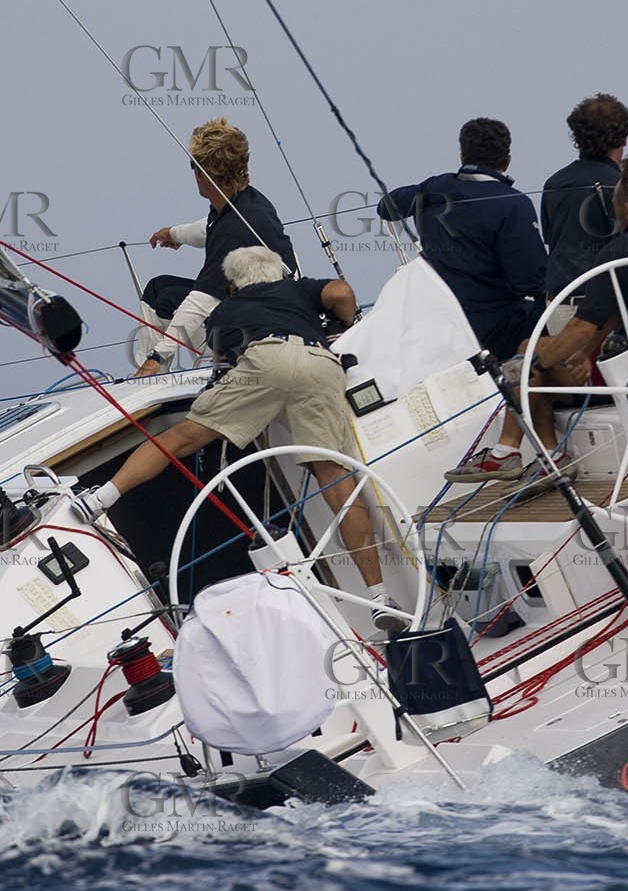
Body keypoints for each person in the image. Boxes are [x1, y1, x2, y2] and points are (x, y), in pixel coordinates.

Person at [78, 246, 408, 631]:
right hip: (320, 364)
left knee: (179, 438)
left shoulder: (225, 311)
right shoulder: (299, 290)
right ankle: (379, 596)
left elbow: (223, 362)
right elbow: (340, 292)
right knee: (336, 481)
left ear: (234, 285)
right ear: (277, 273)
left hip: (264, 362)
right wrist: (345, 325)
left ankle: (99, 500)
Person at [446, 148, 628, 500]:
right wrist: (585, 351)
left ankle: (522, 453)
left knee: (527, 355)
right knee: (536, 360)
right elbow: (605, 322)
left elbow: (584, 326)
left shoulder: (620, 252)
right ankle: (531, 453)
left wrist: (529, 365)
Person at [135, 118, 298, 377]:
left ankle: (151, 374)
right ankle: (153, 373)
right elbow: (207, 228)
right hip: (265, 308)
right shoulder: (245, 201)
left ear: (205, 174)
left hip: (255, 331)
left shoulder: (234, 231)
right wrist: (175, 234)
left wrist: (158, 355)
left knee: (167, 301)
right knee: (158, 287)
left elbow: (201, 302)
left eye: (193, 166)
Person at [376, 118, 547, 361]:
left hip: (444, 325)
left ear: (462, 156)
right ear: (507, 161)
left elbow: (387, 207)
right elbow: (533, 280)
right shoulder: (513, 203)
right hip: (496, 328)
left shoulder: (436, 189)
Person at [540, 93, 628, 304]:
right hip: (605, 307)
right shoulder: (624, 187)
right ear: (624, 136)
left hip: (557, 304)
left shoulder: (554, 183)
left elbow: (552, 242)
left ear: (577, 137)